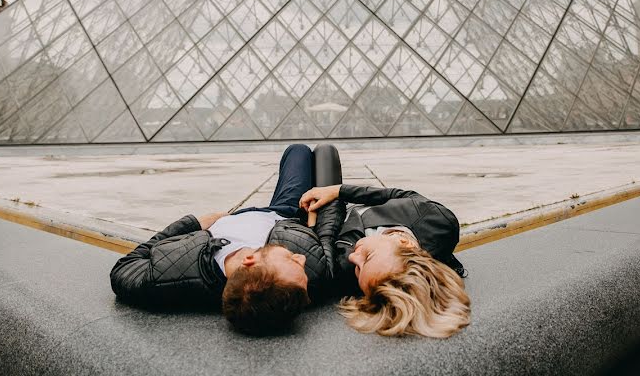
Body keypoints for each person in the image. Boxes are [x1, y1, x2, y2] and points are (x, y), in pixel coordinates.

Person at [110, 144, 344, 335]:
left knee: (298, 150)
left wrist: (195, 223)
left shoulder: (164, 277)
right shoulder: (310, 279)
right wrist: (313, 219)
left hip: (237, 217)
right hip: (286, 212)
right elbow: (326, 236)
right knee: (313, 151)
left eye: (293, 260)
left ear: (250, 260)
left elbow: (123, 268)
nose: (302, 257)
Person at [300, 181, 470, 339]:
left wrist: (321, 209)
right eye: (368, 257)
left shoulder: (346, 271)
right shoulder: (439, 223)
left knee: (304, 151)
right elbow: (398, 196)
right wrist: (337, 190)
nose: (353, 257)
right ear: (405, 243)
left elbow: (324, 236)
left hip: (329, 209)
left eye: (358, 270)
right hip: (340, 196)